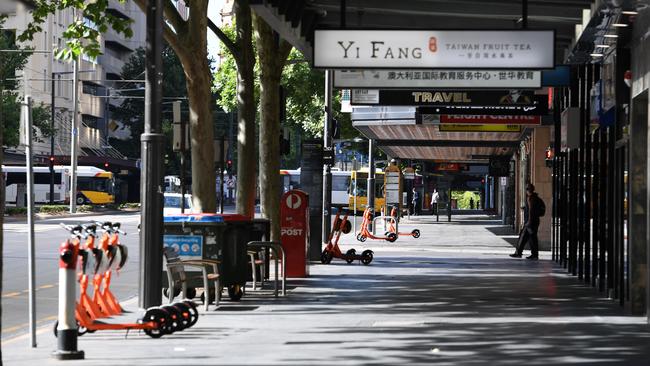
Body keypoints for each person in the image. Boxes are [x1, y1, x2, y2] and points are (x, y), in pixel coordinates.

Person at [510, 183, 543, 260]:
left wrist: (529, 221)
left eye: (527, 189)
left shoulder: (531, 198)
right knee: (527, 237)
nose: (526, 191)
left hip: (530, 222)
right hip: (533, 221)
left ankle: (524, 254)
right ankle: (526, 253)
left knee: (527, 237)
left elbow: (531, 211)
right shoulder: (535, 198)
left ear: (528, 190)